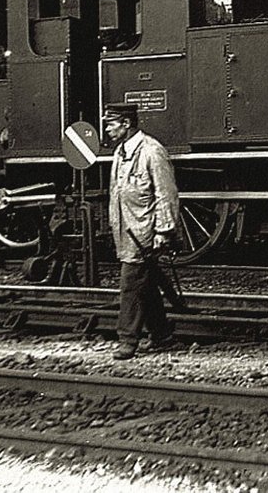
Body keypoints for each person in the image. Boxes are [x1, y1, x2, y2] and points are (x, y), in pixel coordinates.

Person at [103, 102, 179, 360]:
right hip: (126, 229)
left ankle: (127, 340)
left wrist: (164, 230)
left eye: (111, 124)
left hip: (144, 230)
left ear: (126, 124)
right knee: (144, 285)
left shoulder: (152, 151)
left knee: (130, 284)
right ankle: (162, 335)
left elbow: (165, 193)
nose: (107, 130)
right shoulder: (120, 152)